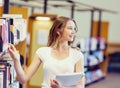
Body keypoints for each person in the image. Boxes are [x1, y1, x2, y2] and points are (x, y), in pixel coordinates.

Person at [8, 16, 85, 88]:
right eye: (70, 28)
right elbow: (23, 79)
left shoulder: (77, 55)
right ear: (58, 30)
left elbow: (80, 86)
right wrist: (16, 60)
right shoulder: (42, 52)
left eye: (74, 29)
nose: (73, 32)